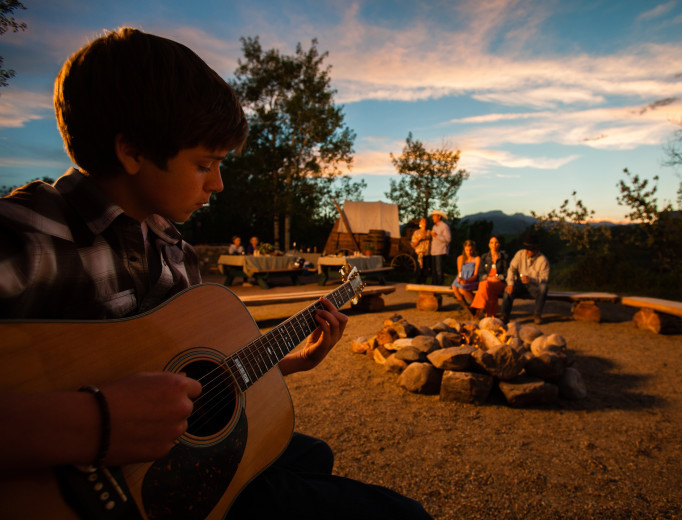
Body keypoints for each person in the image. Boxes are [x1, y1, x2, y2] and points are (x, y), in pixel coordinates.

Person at [0, 27, 431, 520]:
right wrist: (96, 422)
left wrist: (293, 362)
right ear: (132, 151)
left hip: (180, 472)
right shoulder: (27, 239)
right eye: (205, 163)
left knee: (312, 455)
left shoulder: (170, 247)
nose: (219, 183)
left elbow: (196, 385)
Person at [501, 234, 550, 324]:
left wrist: (531, 280)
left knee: (544, 287)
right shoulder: (520, 254)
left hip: (534, 287)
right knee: (508, 290)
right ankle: (504, 316)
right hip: (520, 284)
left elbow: (545, 279)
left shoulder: (543, 260)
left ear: (535, 249)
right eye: (526, 248)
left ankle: (537, 315)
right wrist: (510, 283)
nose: (526, 251)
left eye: (529, 249)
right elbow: (511, 269)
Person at [469, 235, 510, 319]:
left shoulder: (504, 257)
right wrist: (488, 278)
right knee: (486, 286)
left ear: (499, 244)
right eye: (492, 243)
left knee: (484, 286)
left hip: (499, 283)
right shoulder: (484, 257)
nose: (494, 244)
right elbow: (480, 273)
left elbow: (507, 273)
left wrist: (499, 278)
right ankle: (489, 315)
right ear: (489, 245)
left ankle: (476, 308)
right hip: (487, 281)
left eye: (496, 242)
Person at [451, 240, 480, 310]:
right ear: (464, 249)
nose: (469, 252)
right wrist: (460, 278)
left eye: (471, 250)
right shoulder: (460, 258)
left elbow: (475, 275)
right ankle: (465, 306)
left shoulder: (476, 259)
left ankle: (476, 304)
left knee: (461, 289)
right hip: (462, 277)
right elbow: (459, 272)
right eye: (467, 250)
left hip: (471, 279)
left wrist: (466, 281)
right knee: (454, 287)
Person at [429, 209, 451, 285]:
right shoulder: (434, 227)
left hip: (441, 251)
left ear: (439, 216)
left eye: (434, 216)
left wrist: (436, 236)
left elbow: (448, 239)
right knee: (434, 270)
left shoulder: (444, 226)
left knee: (439, 270)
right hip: (434, 251)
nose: (432, 218)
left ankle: (439, 286)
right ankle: (434, 286)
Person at [410, 218, 431, 283]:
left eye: (425, 221)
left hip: (427, 254)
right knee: (419, 270)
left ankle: (423, 284)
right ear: (420, 224)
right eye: (422, 221)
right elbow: (413, 244)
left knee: (425, 270)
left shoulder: (429, 232)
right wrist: (419, 239)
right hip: (419, 254)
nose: (424, 222)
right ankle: (418, 284)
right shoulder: (416, 232)